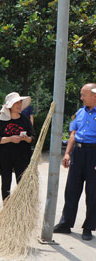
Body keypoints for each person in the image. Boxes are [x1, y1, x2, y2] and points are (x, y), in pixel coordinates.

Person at [53, 83, 96, 241]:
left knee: (92, 193)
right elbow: (73, 134)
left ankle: (88, 227)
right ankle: (65, 224)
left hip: (94, 153)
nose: (81, 97)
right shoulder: (80, 112)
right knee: (71, 190)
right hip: (78, 153)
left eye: (84, 94)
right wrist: (67, 153)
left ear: (94, 96)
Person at [0, 92, 35, 200]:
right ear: (10, 105)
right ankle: (7, 208)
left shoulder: (25, 120)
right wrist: (10, 139)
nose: (19, 104)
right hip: (5, 157)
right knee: (6, 184)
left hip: (22, 157)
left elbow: (33, 138)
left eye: (20, 102)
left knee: (22, 183)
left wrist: (26, 138)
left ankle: (21, 208)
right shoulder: (2, 120)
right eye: (16, 103)